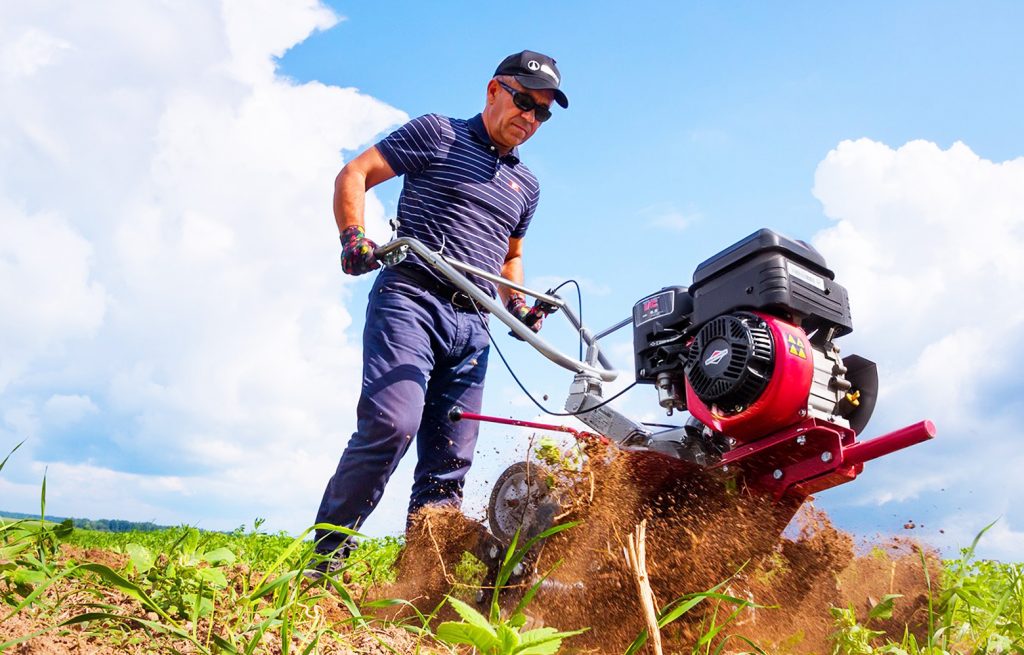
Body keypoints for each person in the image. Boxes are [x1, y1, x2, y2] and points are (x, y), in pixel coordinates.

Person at [313, 50, 569, 561]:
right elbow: (355, 172)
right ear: (494, 90)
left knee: (449, 463)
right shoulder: (438, 133)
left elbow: (511, 255)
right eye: (524, 101)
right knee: (391, 425)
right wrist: (353, 238)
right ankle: (323, 563)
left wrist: (517, 305)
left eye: (542, 112)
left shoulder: (528, 186)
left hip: (474, 324)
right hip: (411, 298)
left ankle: (422, 586)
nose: (530, 118)